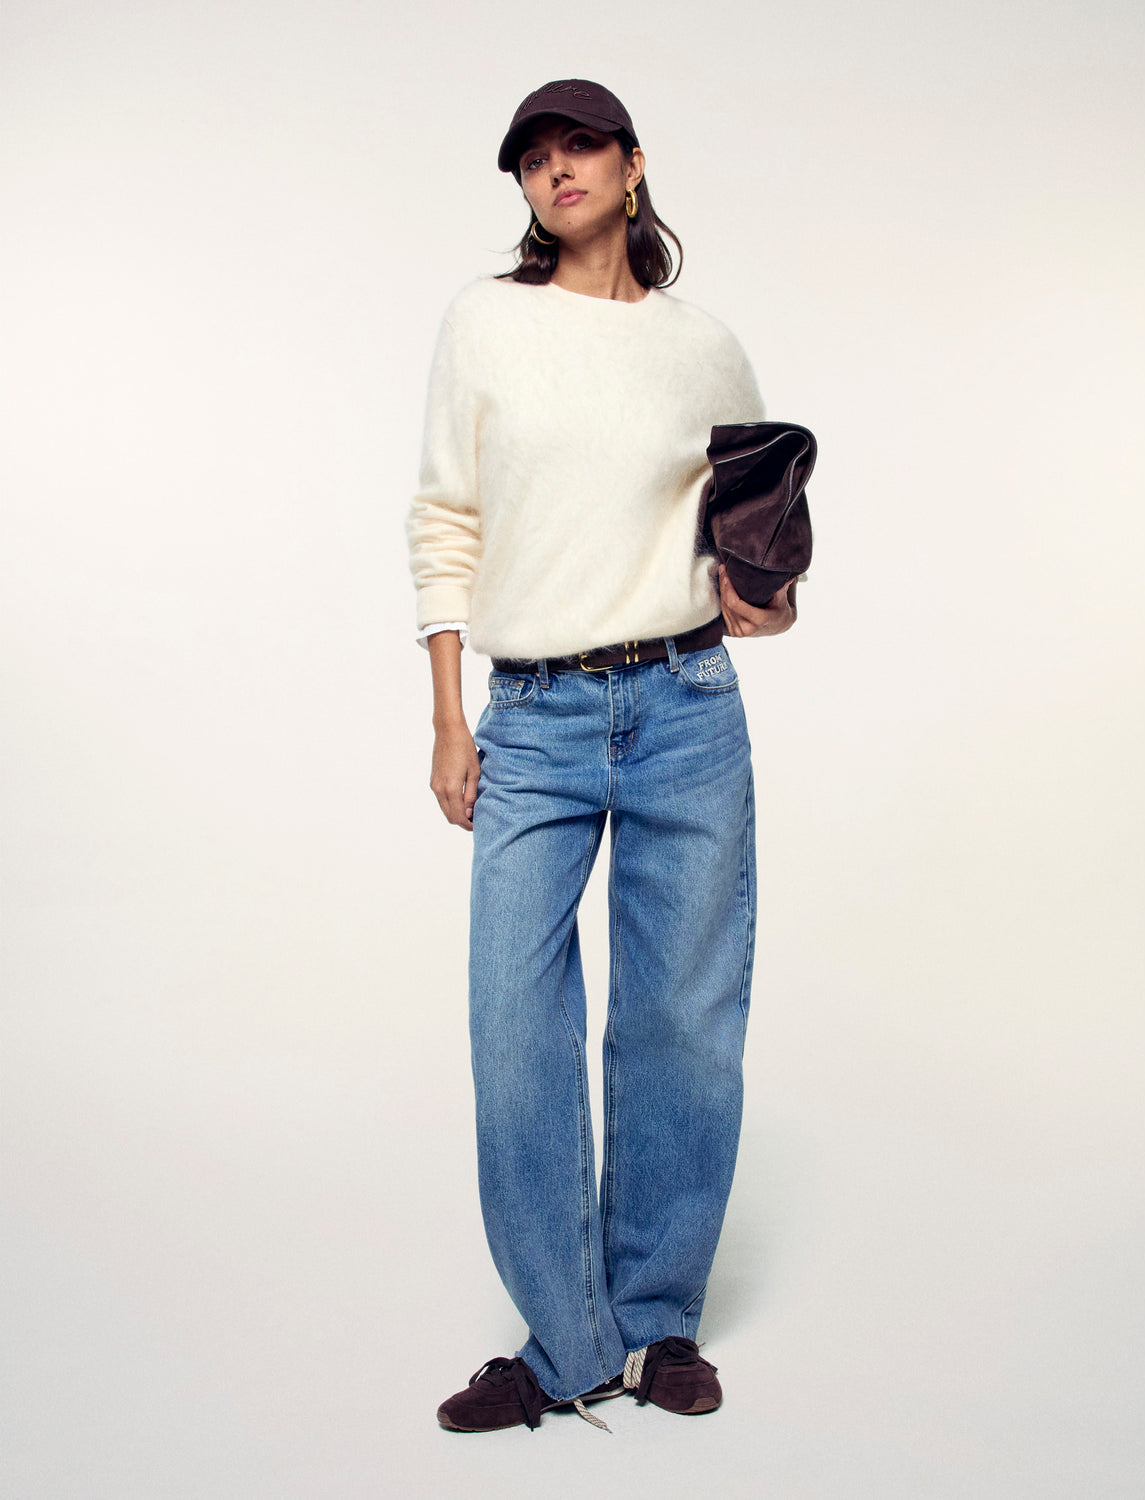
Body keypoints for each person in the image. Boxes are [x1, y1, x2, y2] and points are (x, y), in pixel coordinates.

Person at [406, 78, 799, 1434]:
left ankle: (657, 1319)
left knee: (682, 1019)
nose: (556, 169)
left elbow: (757, 525)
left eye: (580, 146)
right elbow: (445, 519)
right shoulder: (486, 322)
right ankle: (567, 1343)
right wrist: (449, 715)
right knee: (514, 1021)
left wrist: (766, 597)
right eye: (533, 157)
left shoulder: (705, 348)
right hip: (535, 713)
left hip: (688, 703)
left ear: (634, 167)